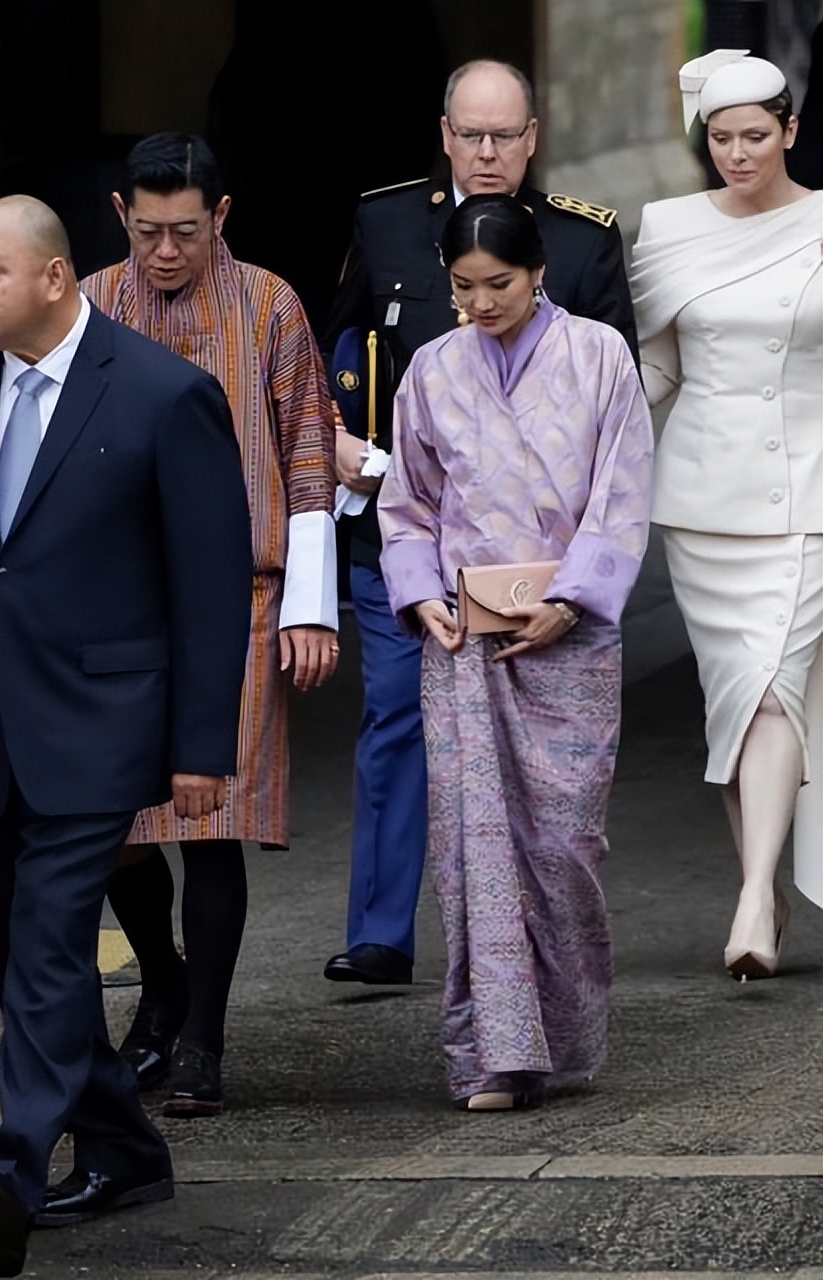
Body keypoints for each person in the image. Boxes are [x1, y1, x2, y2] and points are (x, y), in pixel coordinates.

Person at [0, 196, 253, 1278]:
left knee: (53, 943)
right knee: (27, 962)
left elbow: (209, 585)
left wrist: (203, 744)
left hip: (99, 726)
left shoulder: (164, 394)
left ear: (57, 278)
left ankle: (10, 1162)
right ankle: (123, 1143)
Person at [323, 58, 639, 987]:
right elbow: (330, 352)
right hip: (410, 533)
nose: (489, 150)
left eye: (507, 135)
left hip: (551, 567)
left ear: (533, 138)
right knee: (393, 724)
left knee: (555, 800)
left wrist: (582, 576)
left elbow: (624, 419)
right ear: (446, 134)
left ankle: (550, 977)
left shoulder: (579, 244)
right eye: (472, 134)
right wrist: (335, 441)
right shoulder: (384, 222)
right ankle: (384, 932)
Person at [377, 194, 653, 1109]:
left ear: (539, 271)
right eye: (464, 287)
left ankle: (564, 1041)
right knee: (473, 850)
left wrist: (574, 598)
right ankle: (490, 1053)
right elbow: (408, 503)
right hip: (464, 639)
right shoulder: (430, 368)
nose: (482, 302)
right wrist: (419, 594)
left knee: (566, 843)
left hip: (569, 638)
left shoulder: (600, 356)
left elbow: (621, 491)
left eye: (500, 283)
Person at [83, 133, 337, 1116]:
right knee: (116, 819)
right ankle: (162, 975)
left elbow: (308, 451)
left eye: (183, 232)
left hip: (243, 594)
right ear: (120, 215)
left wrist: (312, 611)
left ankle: (202, 1035)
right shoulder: (95, 304)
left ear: (218, 218)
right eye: (146, 232)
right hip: (116, 596)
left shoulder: (269, 303)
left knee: (212, 817)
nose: (163, 253)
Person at [630, 53, 822, 973]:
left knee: (777, 682)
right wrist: (585, 427)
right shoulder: (667, 227)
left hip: (812, 492)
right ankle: (766, 889)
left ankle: (752, 902)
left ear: (789, 130)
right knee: (737, 705)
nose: (737, 154)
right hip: (705, 502)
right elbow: (659, 367)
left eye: (755, 135)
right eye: (720, 137)